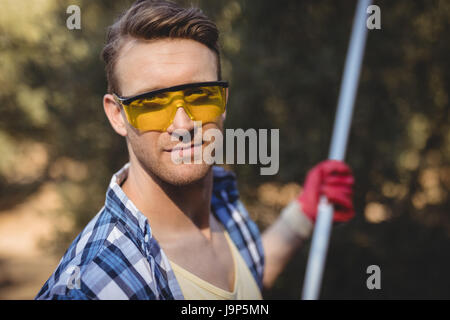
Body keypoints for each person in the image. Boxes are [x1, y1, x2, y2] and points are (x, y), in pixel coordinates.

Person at [36, 0, 355, 300]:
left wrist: (303, 214)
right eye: (152, 102)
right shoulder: (95, 282)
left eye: (201, 96)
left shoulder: (221, 200)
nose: (183, 124)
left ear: (223, 102)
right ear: (118, 115)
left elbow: (248, 277)